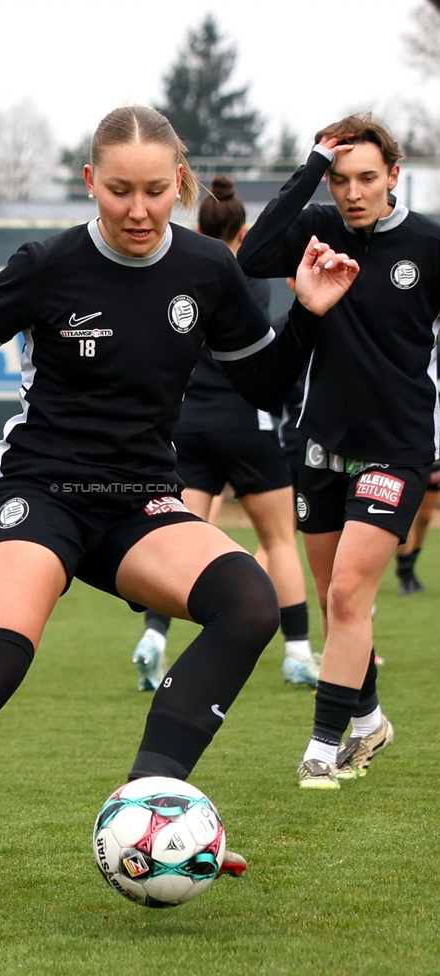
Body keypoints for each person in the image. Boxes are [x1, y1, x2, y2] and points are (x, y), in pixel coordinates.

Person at [0, 105, 357, 926]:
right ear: (90, 183)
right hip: (41, 491)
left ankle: (146, 807)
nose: (138, 210)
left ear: (179, 183)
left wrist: (310, 313)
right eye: (118, 191)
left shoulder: (209, 269)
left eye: (155, 191)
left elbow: (264, 385)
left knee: (248, 601)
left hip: (140, 498)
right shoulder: (49, 263)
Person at [238, 113, 440, 789]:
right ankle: (369, 719)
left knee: (351, 592)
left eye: (366, 178)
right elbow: (251, 257)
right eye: (340, 179)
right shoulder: (317, 227)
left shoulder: (429, 244)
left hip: (397, 450)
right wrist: (310, 166)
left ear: (393, 176)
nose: (353, 193)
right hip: (320, 444)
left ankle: (322, 749)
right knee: (333, 598)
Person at [132, 174, 318, 693]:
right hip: (245, 422)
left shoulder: (179, 273)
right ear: (243, 231)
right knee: (279, 539)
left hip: (189, 426)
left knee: (176, 542)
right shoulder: (249, 276)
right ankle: (298, 654)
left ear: (197, 227)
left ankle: (154, 636)